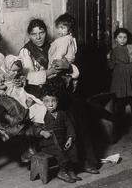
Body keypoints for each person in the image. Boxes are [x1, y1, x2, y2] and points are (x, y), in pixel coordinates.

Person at [19, 18, 99, 174]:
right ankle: (70, 164)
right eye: (34, 34)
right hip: (39, 92)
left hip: (60, 88)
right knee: (64, 114)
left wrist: (68, 66)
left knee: (80, 110)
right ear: (29, 35)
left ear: (46, 32)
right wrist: (47, 73)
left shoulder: (57, 44)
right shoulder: (26, 51)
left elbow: (75, 67)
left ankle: (89, 160)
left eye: (41, 32)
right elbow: (27, 77)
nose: (38, 37)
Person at [35, 83, 82, 183]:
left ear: (58, 101)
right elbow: (34, 128)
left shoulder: (62, 113)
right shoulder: (41, 115)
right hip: (49, 143)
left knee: (72, 149)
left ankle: (70, 170)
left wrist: (70, 138)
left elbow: (69, 126)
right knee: (61, 153)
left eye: (53, 101)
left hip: (62, 139)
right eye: (47, 101)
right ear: (42, 102)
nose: (50, 104)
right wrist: (42, 132)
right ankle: (62, 171)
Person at [108, 28, 132, 133]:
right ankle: (120, 124)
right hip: (119, 76)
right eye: (120, 37)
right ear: (116, 39)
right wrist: (108, 58)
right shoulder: (113, 51)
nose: (123, 40)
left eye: (125, 37)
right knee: (119, 101)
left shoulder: (131, 47)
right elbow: (110, 67)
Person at [0, 54, 46, 124]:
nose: (16, 73)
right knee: (21, 102)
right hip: (11, 93)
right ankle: (28, 110)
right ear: (7, 67)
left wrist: (22, 82)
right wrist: (1, 90)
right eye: (13, 71)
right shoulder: (2, 75)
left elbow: (22, 79)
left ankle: (37, 108)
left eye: (18, 71)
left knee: (29, 96)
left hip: (20, 90)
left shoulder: (17, 73)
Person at [48, 13, 79, 90]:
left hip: (60, 63)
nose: (59, 30)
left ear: (69, 29)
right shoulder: (70, 38)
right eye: (58, 28)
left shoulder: (65, 39)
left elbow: (60, 53)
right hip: (67, 65)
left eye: (62, 28)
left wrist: (54, 64)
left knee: (56, 82)